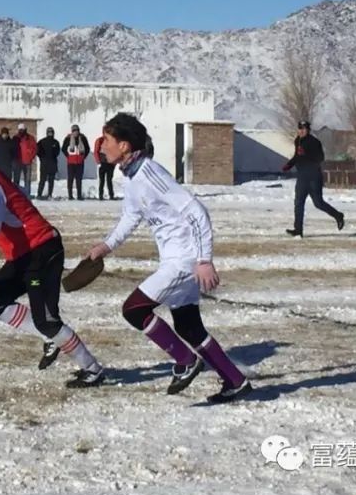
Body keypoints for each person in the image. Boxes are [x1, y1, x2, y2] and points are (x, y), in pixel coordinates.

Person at [86, 113, 252, 403]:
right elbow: (130, 217)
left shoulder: (150, 173)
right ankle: (235, 381)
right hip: (174, 260)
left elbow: (197, 211)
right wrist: (106, 246)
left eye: (107, 141)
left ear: (124, 145)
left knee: (134, 309)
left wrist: (204, 260)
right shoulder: (132, 176)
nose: (102, 147)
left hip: (184, 261)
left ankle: (186, 361)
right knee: (189, 326)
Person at [0, 135, 106, 387]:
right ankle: (50, 338)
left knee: (47, 320)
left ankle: (93, 369)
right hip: (26, 255)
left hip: (41, 251)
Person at [282, 121, 344, 237]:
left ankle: (338, 215)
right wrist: (289, 164)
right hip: (302, 177)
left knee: (318, 203)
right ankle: (298, 230)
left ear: (308, 130)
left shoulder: (314, 142)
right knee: (298, 203)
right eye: (300, 128)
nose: (302, 131)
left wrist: (306, 155)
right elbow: (297, 156)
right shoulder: (298, 140)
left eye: (304, 129)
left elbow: (320, 158)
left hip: (313, 177)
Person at [62, 125, 89, 200]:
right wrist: (68, 156)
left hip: (80, 162)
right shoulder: (68, 139)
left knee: (79, 179)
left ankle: (79, 195)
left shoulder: (83, 138)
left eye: (77, 130)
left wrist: (83, 157)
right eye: (74, 131)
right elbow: (63, 148)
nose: (76, 132)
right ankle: (70, 195)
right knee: (70, 179)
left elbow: (87, 148)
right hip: (71, 162)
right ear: (72, 131)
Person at [35, 127, 61, 200]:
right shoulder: (42, 142)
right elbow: (37, 151)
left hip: (52, 163)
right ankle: (39, 194)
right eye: (49, 132)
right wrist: (42, 158)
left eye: (51, 132)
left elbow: (57, 152)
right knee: (42, 180)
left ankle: (50, 194)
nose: (50, 134)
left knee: (51, 181)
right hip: (44, 164)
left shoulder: (56, 142)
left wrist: (53, 156)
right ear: (47, 133)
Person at [13, 124, 37, 193]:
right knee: (16, 179)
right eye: (20, 130)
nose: (22, 131)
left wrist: (31, 157)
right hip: (18, 161)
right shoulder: (15, 138)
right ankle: (16, 193)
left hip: (27, 162)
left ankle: (27, 193)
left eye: (23, 129)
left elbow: (35, 149)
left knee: (27, 179)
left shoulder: (30, 138)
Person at [94, 129, 115, 200]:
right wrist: (98, 162)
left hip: (110, 163)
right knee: (102, 180)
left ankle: (111, 195)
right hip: (102, 163)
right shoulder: (100, 140)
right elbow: (96, 151)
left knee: (109, 180)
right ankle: (100, 195)